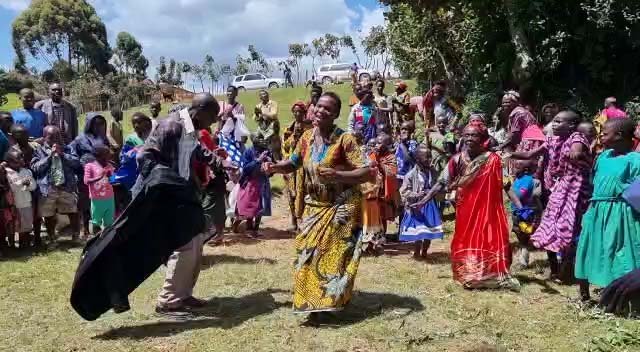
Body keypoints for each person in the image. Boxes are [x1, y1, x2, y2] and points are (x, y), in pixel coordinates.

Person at [263, 92, 372, 324]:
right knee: (306, 255)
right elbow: (293, 163)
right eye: (319, 107)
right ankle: (311, 301)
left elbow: (367, 172)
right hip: (314, 207)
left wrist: (338, 175)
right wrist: (273, 167)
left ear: (335, 115)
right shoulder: (306, 138)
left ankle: (325, 304)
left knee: (332, 258)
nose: (321, 111)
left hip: (342, 206)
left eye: (328, 109)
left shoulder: (345, 140)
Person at [417, 122, 519, 290]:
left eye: (474, 135)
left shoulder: (493, 160)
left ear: (483, 138)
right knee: (466, 238)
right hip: (466, 209)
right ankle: (469, 273)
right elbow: (441, 183)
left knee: (488, 238)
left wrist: (519, 205)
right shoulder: (457, 159)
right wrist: (424, 200)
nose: (470, 138)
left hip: (489, 209)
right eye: (466, 135)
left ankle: (491, 274)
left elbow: (506, 184)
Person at [153, 93, 227, 319]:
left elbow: (196, 150)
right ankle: (168, 302)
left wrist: (218, 162)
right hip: (169, 194)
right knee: (184, 246)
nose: (214, 122)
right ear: (201, 110)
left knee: (196, 243)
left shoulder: (187, 123)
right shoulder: (171, 125)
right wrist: (165, 184)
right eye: (213, 116)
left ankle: (184, 295)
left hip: (186, 193)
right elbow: (146, 157)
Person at [509, 110, 593, 281]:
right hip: (559, 188)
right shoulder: (550, 140)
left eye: (558, 121)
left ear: (571, 126)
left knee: (568, 229)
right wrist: (506, 153)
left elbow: (577, 149)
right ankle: (555, 269)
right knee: (549, 227)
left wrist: (577, 154)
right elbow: (529, 155)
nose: (554, 124)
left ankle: (568, 269)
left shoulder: (576, 138)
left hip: (576, 190)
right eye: (554, 121)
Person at [575, 119, 640, 302]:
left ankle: (619, 295)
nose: (601, 135)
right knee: (588, 248)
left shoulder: (635, 159)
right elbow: (594, 181)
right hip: (596, 210)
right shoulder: (603, 156)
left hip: (620, 213)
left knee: (618, 251)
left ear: (618, 135)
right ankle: (584, 295)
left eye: (604, 132)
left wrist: (622, 190)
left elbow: (638, 194)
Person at [32, 126, 82, 244]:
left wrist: (63, 155)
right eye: (51, 137)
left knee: (72, 211)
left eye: (57, 136)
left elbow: (76, 163)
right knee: (48, 214)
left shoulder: (68, 148)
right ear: (44, 138)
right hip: (48, 188)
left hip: (66, 186)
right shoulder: (39, 150)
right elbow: (35, 168)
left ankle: (76, 236)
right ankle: (51, 238)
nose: (55, 139)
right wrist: (49, 157)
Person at [399, 144, 444, 259]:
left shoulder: (433, 172)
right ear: (418, 159)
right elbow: (404, 191)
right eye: (427, 157)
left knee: (429, 231)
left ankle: (425, 251)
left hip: (430, 205)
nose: (430, 159)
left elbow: (439, 185)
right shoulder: (411, 175)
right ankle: (417, 252)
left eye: (430, 157)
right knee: (419, 232)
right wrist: (416, 195)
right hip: (418, 206)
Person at [71, 113, 111, 237]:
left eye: (101, 124)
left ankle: (97, 227)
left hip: (101, 175)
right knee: (85, 202)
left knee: (98, 201)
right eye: (96, 124)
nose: (99, 127)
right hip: (85, 174)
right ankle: (85, 229)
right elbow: (72, 154)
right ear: (89, 124)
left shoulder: (103, 138)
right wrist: (81, 165)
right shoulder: (80, 139)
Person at [361, 133, 399, 253]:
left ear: (387, 145)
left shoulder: (391, 157)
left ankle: (382, 240)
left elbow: (392, 173)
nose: (377, 145)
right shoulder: (372, 155)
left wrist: (380, 164)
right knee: (374, 217)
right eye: (376, 142)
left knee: (383, 216)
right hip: (372, 191)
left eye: (379, 143)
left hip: (384, 191)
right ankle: (371, 241)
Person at [282, 102, 313, 232]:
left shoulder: (310, 128)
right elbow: (285, 146)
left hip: (304, 165)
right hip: (291, 164)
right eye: (295, 111)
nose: (297, 114)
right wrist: (293, 138)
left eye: (300, 111)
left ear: (304, 112)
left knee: (303, 191)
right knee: (291, 193)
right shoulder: (289, 128)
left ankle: (303, 220)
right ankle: (293, 220)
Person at [505, 159, 542, 268]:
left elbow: (519, 196)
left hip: (525, 214)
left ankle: (523, 260)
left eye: (517, 166)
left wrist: (508, 188)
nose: (513, 168)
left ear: (525, 169)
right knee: (519, 234)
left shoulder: (527, 180)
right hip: (516, 212)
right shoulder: (518, 178)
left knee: (524, 236)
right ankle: (523, 256)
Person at [9, 125, 42, 246]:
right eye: (18, 135)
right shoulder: (12, 150)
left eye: (24, 134)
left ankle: (37, 237)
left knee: (37, 211)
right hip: (20, 183)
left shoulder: (35, 146)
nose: (22, 137)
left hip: (35, 181)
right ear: (13, 137)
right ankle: (24, 238)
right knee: (23, 212)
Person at [235, 136, 272, 238]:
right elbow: (246, 168)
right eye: (261, 142)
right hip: (251, 182)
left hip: (263, 181)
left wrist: (269, 162)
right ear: (255, 144)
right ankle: (248, 228)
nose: (263, 144)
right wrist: (258, 160)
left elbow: (272, 166)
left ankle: (255, 229)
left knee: (262, 206)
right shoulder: (248, 151)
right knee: (251, 206)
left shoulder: (267, 150)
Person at [5, 149, 36, 248]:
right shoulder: (7, 172)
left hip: (26, 202)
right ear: (9, 162)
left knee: (26, 224)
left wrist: (27, 184)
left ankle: (24, 243)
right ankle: (12, 245)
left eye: (20, 158)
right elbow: (12, 187)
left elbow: (33, 186)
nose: (20, 161)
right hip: (14, 204)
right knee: (14, 225)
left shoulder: (26, 171)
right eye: (16, 160)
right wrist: (22, 183)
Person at [83, 144, 115, 235]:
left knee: (109, 222)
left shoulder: (109, 165)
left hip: (109, 198)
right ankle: (95, 239)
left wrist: (111, 177)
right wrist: (99, 177)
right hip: (97, 199)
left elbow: (112, 180)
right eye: (107, 153)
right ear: (99, 155)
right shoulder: (90, 166)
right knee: (96, 221)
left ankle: (107, 239)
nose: (110, 155)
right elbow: (86, 181)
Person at [218, 86, 249, 165]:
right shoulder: (222, 104)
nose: (230, 93)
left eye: (232, 92)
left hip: (234, 135)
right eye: (228, 91)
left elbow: (240, 121)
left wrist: (231, 115)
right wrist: (222, 114)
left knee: (238, 156)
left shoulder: (239, 106)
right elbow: (216, 119)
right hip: (222, 134)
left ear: (236, 94)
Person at [254, 90, 282, 161]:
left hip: (272, 125)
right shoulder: (258, 106)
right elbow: (255, 118)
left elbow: (274, 115)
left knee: (272, 141)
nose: (264, 95)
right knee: (254, 137)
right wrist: (257, 115)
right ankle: (259, 158)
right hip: (262, 127)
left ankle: (277, 160)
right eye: (262, 94)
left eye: (266, 94)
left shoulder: (273, 103)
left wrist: (263, 113)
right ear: (260, 97)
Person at [0, 166, 16, 251]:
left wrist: (12, 206)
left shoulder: (7, 184)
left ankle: (11, 245)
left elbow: (10, 196)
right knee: (1, 230)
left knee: (10, 228)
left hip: (7, 209)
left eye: (3, 173)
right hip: (2, 209)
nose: (2, 174)